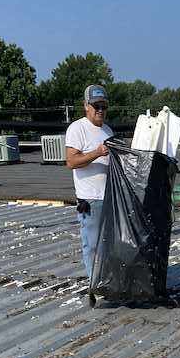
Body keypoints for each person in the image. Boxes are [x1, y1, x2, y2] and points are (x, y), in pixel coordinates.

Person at [65, 85, 113, 277]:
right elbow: (71, 161)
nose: (100, 110)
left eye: (103, 106)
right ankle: (95, 284)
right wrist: (97, 152)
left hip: (110, 198)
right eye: (96, 106)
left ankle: (109, 283)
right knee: (92, 246)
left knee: (109, 246)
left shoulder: (108, 131)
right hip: (90, 200)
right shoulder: (77, 128)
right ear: (86, 106)